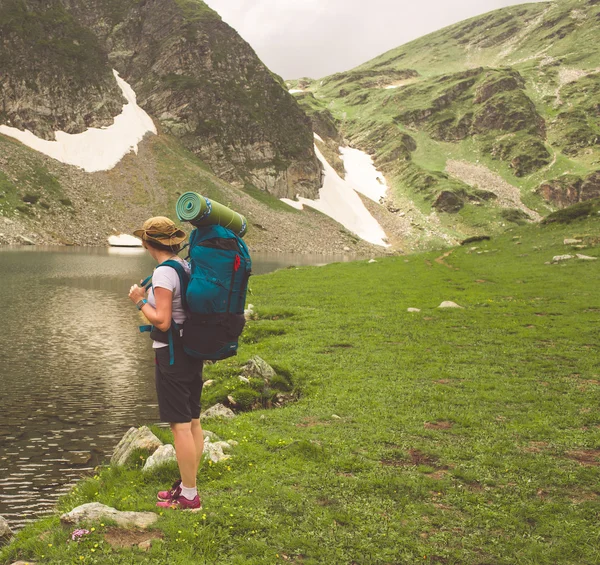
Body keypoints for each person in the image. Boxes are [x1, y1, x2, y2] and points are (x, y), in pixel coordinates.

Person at [128, 216, 204, 511]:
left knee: (180, 427)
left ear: (148, 243)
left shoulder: (162, 274)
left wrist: (138, 300)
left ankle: (190, 497)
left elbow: (161, 320)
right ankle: (187, 486)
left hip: (171, 355)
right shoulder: (183, 266)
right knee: (194, 421)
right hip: (191, 351)